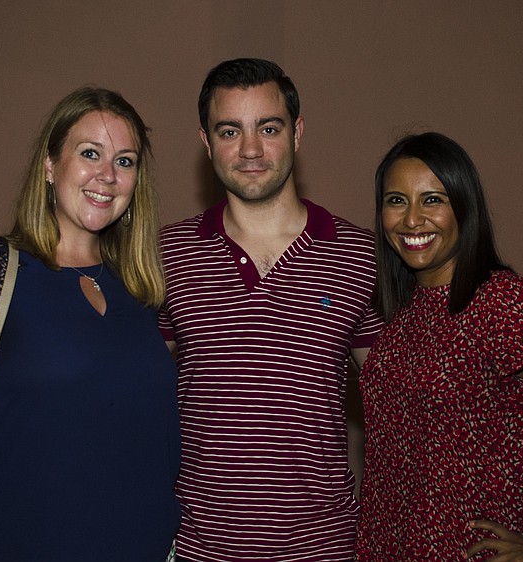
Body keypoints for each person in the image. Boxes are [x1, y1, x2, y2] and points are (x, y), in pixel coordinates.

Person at [0, 87, 180, 561]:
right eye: (90, 153)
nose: (107, 176)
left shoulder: (143, 290)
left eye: (125, 161)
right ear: (51, 166)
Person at [354, 132, 523, 561]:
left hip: (466, 550)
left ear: (464, 206)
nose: (411, 220)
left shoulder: (503, 300)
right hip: (385, 544)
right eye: (396, 200)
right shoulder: (397, 311)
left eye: (432, 200)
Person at [157, 58, 385, 562]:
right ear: (206, 141)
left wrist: (498, 441)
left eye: (269, 127)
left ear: (297, 133)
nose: (251, 149)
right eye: (230, 131)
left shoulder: (360, 256)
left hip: (325, 548)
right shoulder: (165, 255)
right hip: (200, 549)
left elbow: (401, 399)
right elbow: (119, 382)